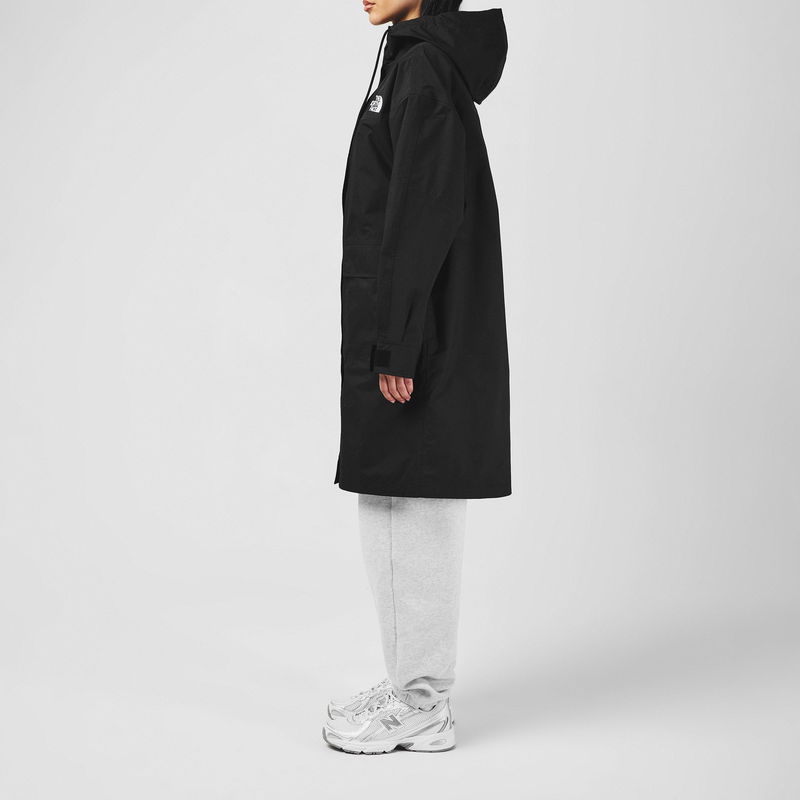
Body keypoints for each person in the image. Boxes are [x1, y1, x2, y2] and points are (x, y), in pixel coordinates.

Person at [323, 0, 511, 754]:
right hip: (397, 327)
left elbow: (424, 213)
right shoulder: (409, 60)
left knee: (415, 502)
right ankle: (410, 682)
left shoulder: (425, 68)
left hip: (416, 339)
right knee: (389, 494)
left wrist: (399, 346)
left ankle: (423, 703)